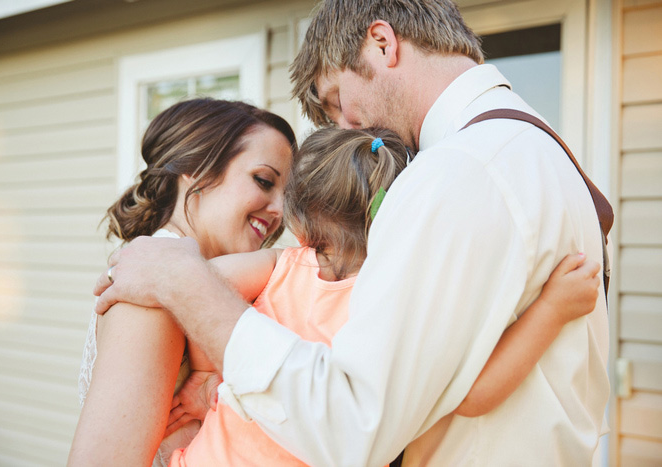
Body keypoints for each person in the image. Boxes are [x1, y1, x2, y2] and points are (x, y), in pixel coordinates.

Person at [93, 0, 612, 465]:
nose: (347, 127)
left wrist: (181, 282)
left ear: (382, 44)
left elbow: (356, 426)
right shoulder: (532, 151)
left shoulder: (459, 170)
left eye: (338, 98)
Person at [165, 127, 600, 466]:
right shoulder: (396, 291)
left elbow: (202, 287)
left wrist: (207, 377)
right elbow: (474, 393)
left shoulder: (282, 265)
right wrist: (552, 309)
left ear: (300, 223)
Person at [69, 98, 297, 466]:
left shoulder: (197, 278)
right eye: (264, 181)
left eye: (287, 194)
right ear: (195, 168)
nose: (280, 210)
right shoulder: (153, 291)